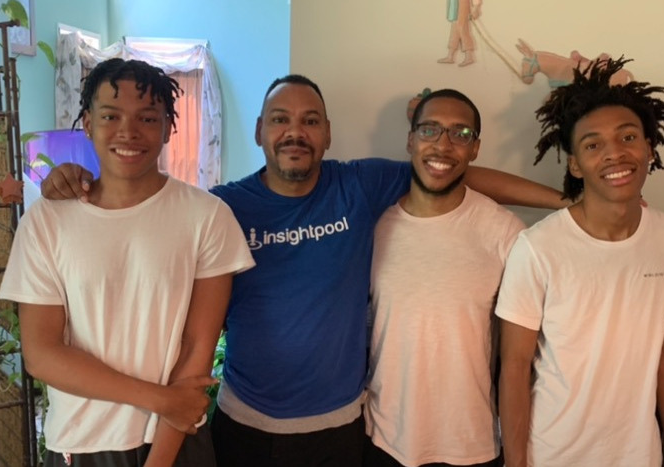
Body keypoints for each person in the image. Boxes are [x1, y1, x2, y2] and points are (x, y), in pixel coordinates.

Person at [40, 74, 567, 466]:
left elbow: (453, 173)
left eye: (310, 121)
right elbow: (143, 209)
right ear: (258, 131)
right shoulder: (220, 208)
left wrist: (569, 203)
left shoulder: (357, 186)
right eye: (280, 119)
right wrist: (76, 180)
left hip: (340, 430)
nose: (295, 132)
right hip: (243, 425)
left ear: (328, 134)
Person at [0, 58, 255, 466]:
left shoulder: (207, 217)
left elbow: (197, 348)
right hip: (81, 444)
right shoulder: (47, 221)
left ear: (168, 128)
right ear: (87, 123)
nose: (128, 131)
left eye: (147, 118)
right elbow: (42, 353)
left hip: (173, 442)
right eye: (110, 116)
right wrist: (162, 399)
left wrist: (159, 457)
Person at [496, 57, 664, 467]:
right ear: (575, 165)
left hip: (638, 455)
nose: (615, 153)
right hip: (552, 454)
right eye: (593, 144)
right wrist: (515, 462)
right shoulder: (537, 248)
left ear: (649, 148)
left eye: (628, 137)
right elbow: (514, 366)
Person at [364, 89, 523, 467]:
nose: (443, 144)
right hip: (384, 438)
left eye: (460, 134)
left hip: (471, 442)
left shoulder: (505, 232)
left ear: (475, 149)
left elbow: (521, 356)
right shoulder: (375, 227)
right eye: (429, 130)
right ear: (410, 140)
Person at [438, 0, 482, 67]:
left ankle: (469, 56)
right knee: (455, 28)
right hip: (455, 3)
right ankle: (450, 56)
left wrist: (476, 7)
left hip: (463, 3)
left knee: (462, 28)